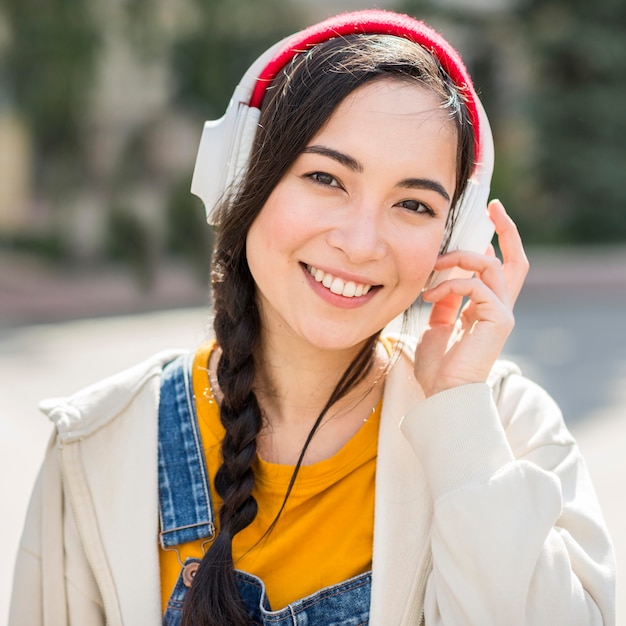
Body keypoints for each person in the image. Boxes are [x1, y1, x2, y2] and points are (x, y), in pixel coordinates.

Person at [9, 9, 615, 626]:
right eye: (326, 177)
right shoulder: (100, 444)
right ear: (242, 179)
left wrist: (460, 417)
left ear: (453, 237)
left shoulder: (506, 430)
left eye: (413, 203)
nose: (360, 243)